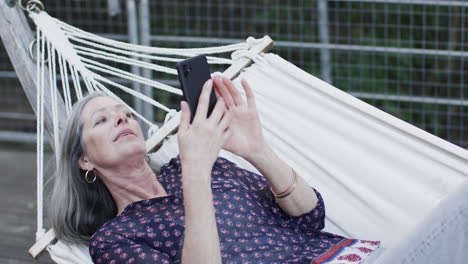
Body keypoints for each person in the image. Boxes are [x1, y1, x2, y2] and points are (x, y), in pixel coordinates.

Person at [49, 76, 379, 263]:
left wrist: (258, 151)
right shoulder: (115, 239)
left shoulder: (202, 166)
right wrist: (196, 172)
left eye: (125, 113)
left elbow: (310, 217)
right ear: (85, 161)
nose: (122, 117)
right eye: (102, 120)